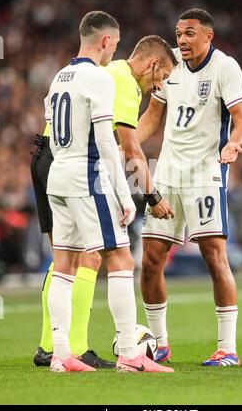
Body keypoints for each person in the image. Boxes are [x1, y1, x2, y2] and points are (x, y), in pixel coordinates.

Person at [32, 31, 177, 367]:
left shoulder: (83, 74)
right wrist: (147, 194)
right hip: (77, 166)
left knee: (68, 259)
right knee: (110, 258)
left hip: (49, 158)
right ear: (153, 63)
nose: (160, 86)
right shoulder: (122, 81)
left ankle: (54, 348)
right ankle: (102, 351)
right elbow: (130, 147)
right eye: (164, 77)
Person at [138, 8, 242, 366]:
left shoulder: (225, 67)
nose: (182, 40)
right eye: (178, 33)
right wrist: (122, 142)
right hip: (168, 174)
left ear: (208, 36)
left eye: (189, 33)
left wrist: (233, 143)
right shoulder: (169, 68)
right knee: (151, 258)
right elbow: (153, 117)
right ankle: (160, 343)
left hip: (206, 172)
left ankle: (227, 348)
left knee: (214, 256)